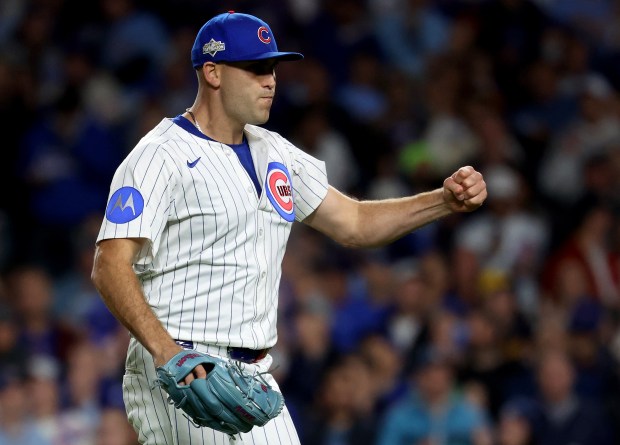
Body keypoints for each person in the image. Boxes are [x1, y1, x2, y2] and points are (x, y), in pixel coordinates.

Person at [90, 10, 488, 445]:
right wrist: (168, 353)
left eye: (274, 68)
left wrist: (441, 200)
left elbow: (354, 223)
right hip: (182, 366)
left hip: (253, 375)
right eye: (257, 68)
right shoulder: (160, 155)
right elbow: (109, 265)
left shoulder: (274, 150)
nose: (271, 80)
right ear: (213, 72)